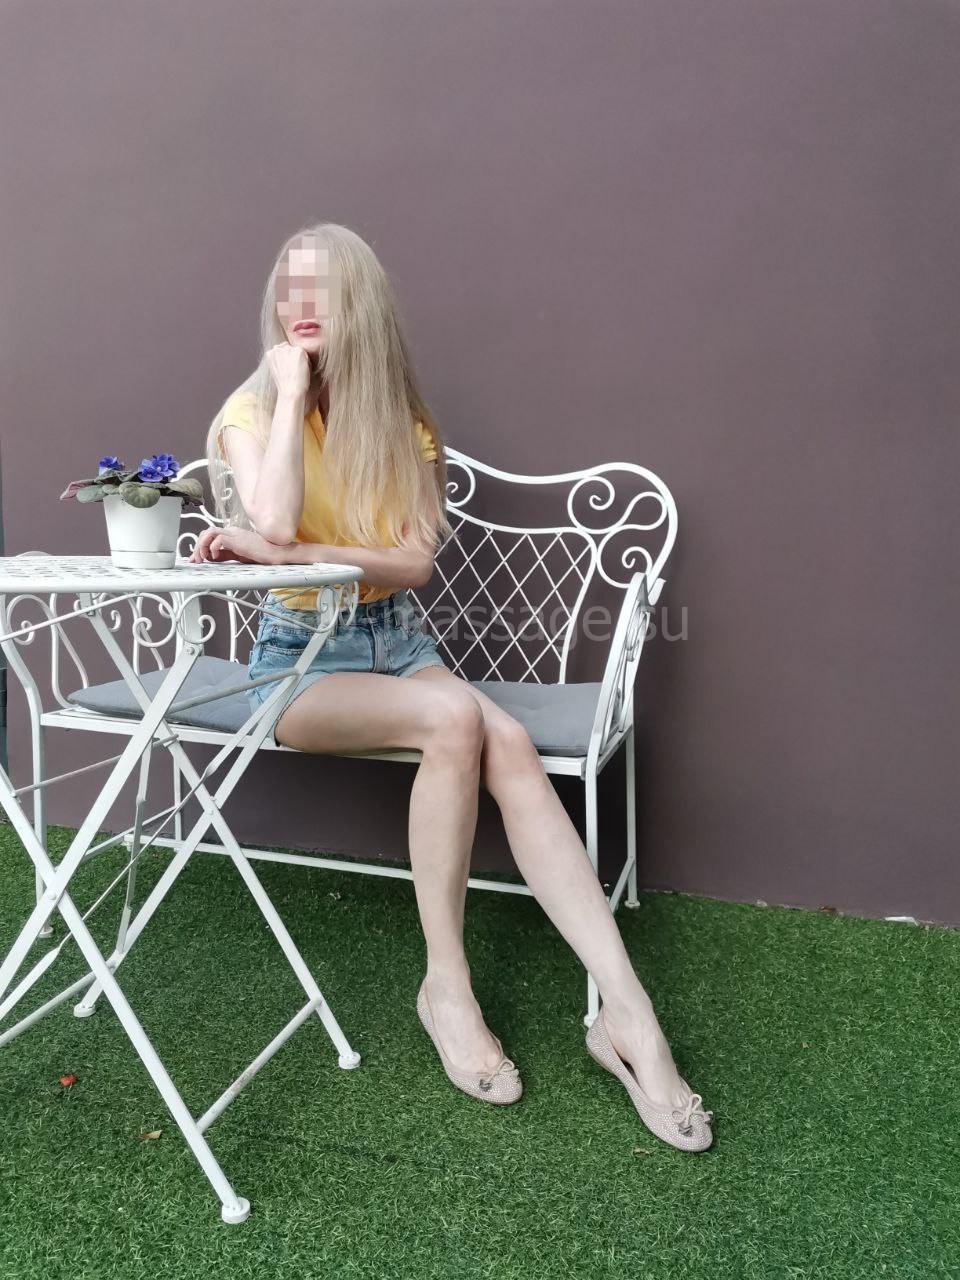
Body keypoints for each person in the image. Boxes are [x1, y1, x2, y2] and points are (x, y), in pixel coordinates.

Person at [190, 222, 714, 1150]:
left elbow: (412, 565)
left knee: (502, 738)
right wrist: (291, 394)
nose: (299, 307)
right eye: (286, 290)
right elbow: (268, 519)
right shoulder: (251, 411)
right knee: (454, 721)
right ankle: (446, 985)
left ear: (360, 305)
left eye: (320, 289)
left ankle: (627, 1013)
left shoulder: (402, 422)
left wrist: (296, 555)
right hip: (298, 662)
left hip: (398, 642)